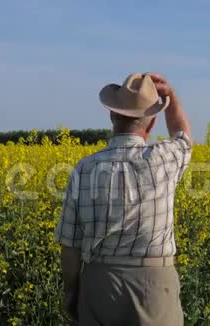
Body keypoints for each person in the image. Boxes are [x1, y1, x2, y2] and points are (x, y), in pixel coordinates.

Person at [54, 72, 192, 325]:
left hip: (99, 282)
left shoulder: (84, 168)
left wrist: (73, 291)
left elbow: (70, 245)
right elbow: (182, 136)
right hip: (154, 285)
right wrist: (170, 96)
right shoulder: (164, 159)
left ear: (111, 115)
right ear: (150, 125)